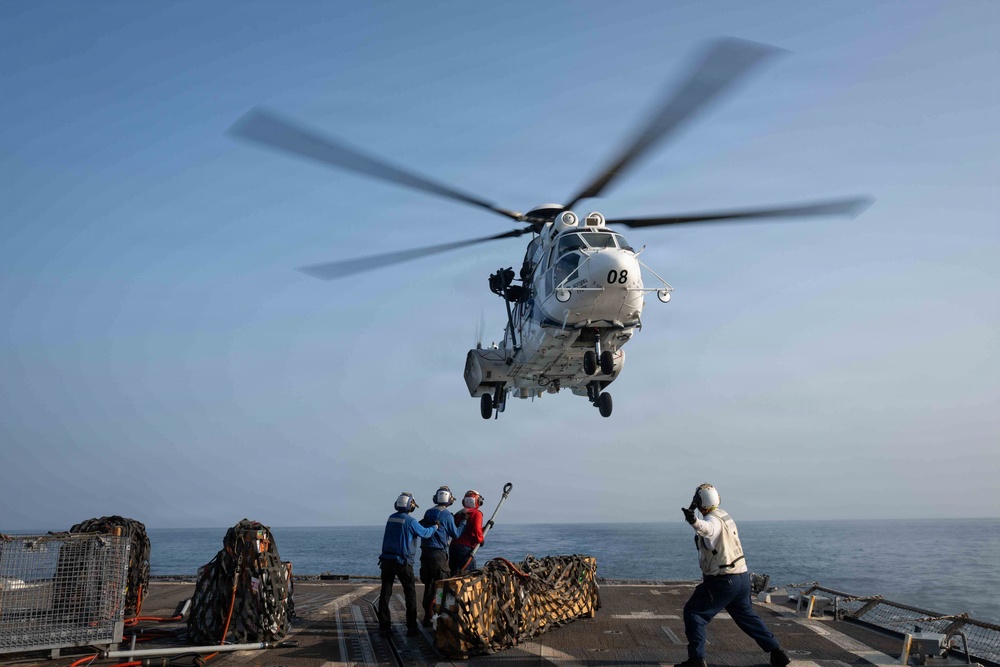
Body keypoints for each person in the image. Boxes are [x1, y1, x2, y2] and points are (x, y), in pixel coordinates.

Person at [676, 484, 791, 667]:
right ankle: (777, 652)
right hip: (742, 578)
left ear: (699, 503)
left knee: (694, 613)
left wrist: (694, 521)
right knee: (747, 617)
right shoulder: (724, 515)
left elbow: (708, 529)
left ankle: (696, 660)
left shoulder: (711, 521)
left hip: (723, 580)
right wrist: (694, 517)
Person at [378, 492, 437, 638]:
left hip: (386, 561)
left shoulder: (391, 518)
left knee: (385, 593)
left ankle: (384, 627)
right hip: (403, 562)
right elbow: (425, 533)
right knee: (410, 594)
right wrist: (435, 526)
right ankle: (411, 627)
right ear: (410, 506)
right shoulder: (411, 521)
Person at [418, 486, 465, 626]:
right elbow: (455, 534)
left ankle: (427, 617)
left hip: (425, 553)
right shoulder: (447, 515)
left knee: (429, 585)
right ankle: (441, 618)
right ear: (449, 499)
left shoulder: (428, 512)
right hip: (438, 554)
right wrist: (463, 522)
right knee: (442, 585)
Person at [449, 489, 485, 575]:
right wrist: (481, 540)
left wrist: (485, 528)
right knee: (469, 574)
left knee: (454, 574)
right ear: (478, 501)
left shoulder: (459, 514)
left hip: (453, 547)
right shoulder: (477, 514)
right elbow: (476, 529)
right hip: (465, 549)